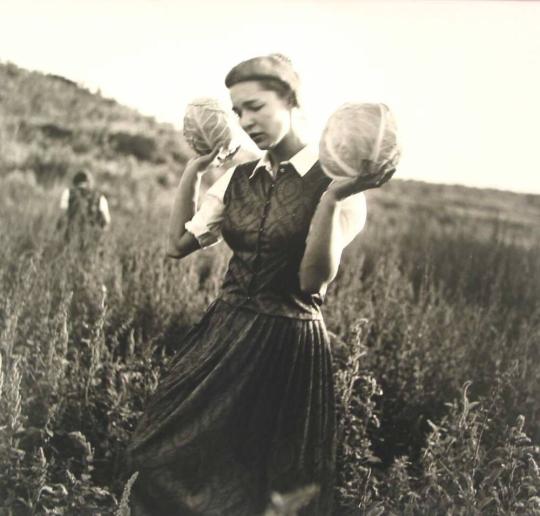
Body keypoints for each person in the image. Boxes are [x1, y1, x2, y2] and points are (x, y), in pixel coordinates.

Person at [126, 54, 395, 515]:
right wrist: (195, 170)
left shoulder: (338, 185)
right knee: (164, 449)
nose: (246, 121)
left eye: (256, 107)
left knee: (264, 485)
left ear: (291, 101)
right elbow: (175, 245)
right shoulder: (237, 179)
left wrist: (331, 200)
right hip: (223, 336)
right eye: (238, 112)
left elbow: (312, 282)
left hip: (285, 347)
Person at [57, 170, 111, 247]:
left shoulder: (68, 193)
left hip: (72, 237)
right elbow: (106, 221)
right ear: (88, 182)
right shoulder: (100, 198)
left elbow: (62, 216)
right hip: (92, 239)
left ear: (75, 182)